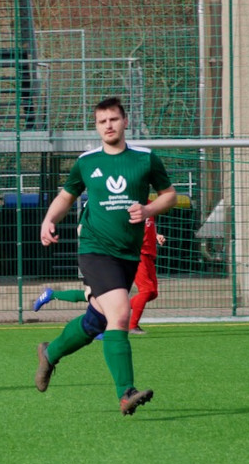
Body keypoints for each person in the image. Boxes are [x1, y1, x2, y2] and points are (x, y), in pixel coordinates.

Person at [35, 97, 176, 415]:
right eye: (102, 121)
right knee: (120, 316)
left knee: (96, 319)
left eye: (114, 119)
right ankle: (126, 393)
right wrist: (49, 219)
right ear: (97, 126)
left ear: (125, 122)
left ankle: (50, 352)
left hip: (128, 253)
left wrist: (149, 208)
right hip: (95, 250)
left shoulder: (145, 160)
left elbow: (170, 195)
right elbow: (66, 195)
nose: (109, 125)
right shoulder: (87, 162)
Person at [34, 221, 167, 335]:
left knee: (96, 296)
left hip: (104, 255)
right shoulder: (94, 206)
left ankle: (52, 295)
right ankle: (103, 327)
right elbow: (81, 229)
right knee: (95, 296)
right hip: (94, 256)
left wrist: (154, 235)